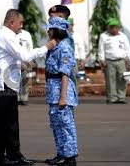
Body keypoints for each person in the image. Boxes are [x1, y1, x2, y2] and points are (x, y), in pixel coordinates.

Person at [0, 9, 56, 166]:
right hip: (4, 85)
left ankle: (7, 156)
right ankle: (6, 157)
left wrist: (15, 65)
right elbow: (25, 55)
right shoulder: (6, 36)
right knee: (7, 124)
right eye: (20, 22)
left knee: (6, 124)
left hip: (3, 84)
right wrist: (47, 47)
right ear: (11, 22)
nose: (21, 26)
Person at [44, 17, 78, 166]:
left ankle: (70, 158)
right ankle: (61, 153)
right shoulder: (54, 46)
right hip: (53, 89)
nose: (48, 31)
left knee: (65, 124)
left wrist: (63, 97)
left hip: (61, 89)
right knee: (56, 124)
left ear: (57, 30)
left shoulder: (64, 47)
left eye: (50, 28)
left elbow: (65, 73)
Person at [98, 18, 130, 104]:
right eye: (112, 27)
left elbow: (127, 48)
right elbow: (101, 49)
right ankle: (112, 98)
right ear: (108, 28)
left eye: (116, 27)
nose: (114, 29)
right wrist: (102, 60)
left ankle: (121, 97)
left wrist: (129, 60)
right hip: (109, 61)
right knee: (110, 80)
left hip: (121, 61)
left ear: (119, 28)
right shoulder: (104, 36)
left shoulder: (123, 36)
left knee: (122, 79)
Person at [16, 29, 34, 106]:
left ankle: (24, 98)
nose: (20, 26)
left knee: (24, 80)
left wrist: (30, 60)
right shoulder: (10, 34)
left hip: (24, 60)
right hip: (14, 60)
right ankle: (16, 98)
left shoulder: (26, 34)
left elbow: (30, 47)